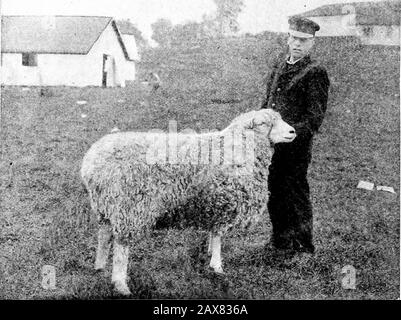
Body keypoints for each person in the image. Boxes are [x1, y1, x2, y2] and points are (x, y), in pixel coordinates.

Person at [261, 16, 330, 260]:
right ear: (287, 38)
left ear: (312, 43)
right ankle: (280, 241)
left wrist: (289, 134)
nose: (298, 44)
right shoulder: (279, 64)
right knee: (274, 191)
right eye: (294, 38)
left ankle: (303, 248)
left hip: (295, 146)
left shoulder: (315, 72)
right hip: (272, 146)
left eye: (304, 40)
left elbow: (314, 118)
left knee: (296, 192)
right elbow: (267, 104)